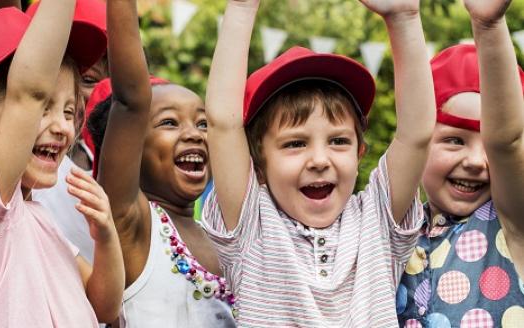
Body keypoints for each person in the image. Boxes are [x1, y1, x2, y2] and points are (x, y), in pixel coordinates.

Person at [202, 0, 435, 326]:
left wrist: (405, 18)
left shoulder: (377, 221)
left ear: (359, 155)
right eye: (295, 144)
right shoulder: (252, 226)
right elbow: (223, 124)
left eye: (338, 141)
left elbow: (416, 135)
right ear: (258, 166)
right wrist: (241, 7)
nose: (319, 160)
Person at [0, 4, 123, 326]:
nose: (64, 127)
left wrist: (105, 235)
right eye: (43, 108)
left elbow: (104, 307)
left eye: (69, 111)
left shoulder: (38, 216)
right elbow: (27, 93)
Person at [87, 0, 236, 325]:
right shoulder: (133, 223)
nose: (194, 134)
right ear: (131, 148)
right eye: (170, 123)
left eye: (202, 123)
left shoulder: (222, 237)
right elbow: (130, 100)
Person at [397, 1, 524, 326]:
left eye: (490, 147)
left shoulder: (511, 224)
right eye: (455, 140)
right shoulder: (393, 232)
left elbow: (506, 142)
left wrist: (488, 26)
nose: (476, 161)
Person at [29, 0, 109, 262]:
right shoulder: (15, 162)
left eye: (87, 80)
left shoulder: (113, 168)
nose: (72, 90)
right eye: (52, 72)